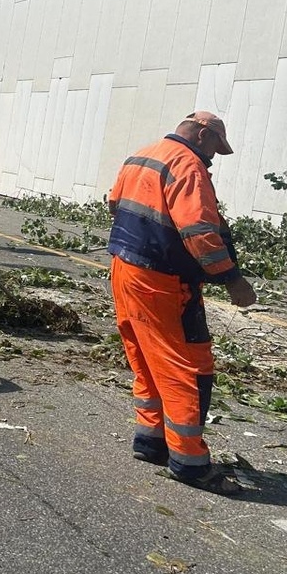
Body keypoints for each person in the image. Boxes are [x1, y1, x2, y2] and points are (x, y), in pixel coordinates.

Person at [107, 111, 257, 495]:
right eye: (214, 148)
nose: (212, 158)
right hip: (164, 281)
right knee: (186, 366)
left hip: (125, 270)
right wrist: (232, 280)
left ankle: (151, 439)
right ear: (203, 135)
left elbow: (114, 204)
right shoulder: (188, 166)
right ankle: (189, 462)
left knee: (144, 355)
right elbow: (200, 232)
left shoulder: (142, 155)